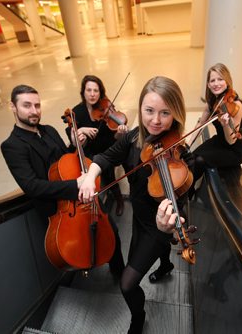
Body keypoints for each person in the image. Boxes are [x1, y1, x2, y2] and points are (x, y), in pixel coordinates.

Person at [78, 76, 193, 333]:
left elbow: (181, 204)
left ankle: (137, 318)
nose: (155, 120)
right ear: (140, 109)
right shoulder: (132, 138)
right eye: (149, 111)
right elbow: (106, 157)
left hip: (158, 227)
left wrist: (172, 227)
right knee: (146, 258)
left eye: (165, 113)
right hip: (139, 217)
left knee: (128, 284)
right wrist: (89, 176)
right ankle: (166, 265)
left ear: (176, 114)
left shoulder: (181, 153)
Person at [0, 84, 124, 277]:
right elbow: (32, 186)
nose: (34, 111)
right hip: (61, 208)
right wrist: (76, 184)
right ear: (13, 107)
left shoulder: (49, 130)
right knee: (75, 246)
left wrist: (76, 145)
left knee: (111, 231)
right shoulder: (12, 146)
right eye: (27, 105)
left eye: (37, 105)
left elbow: (66, 160)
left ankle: (119, 272)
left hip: (83, 196)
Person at [67, 75, 128, 216]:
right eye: (89, 90)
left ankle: (119, 199)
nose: (93, 94)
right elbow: (74, 141)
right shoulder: (76, 112)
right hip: (87, 150)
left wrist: (120, 133)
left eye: (96, 90)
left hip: (105, 148)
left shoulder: (106, 107)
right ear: (83, 92)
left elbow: (114, 138)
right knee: (84, 173)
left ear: (100, 92)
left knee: (108, 173)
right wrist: (81, 130)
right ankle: (91, 203)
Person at [189, 63, 242, 189]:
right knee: (191, 157)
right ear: (208, 84)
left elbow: (231, 141)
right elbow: (200, 125)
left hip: (234, 150)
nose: (216, 83)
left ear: (227, 81)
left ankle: (187, 192)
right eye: (212, 80)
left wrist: (226, 125)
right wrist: (187, 146)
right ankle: (187, 190)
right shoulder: (212, 102)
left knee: (200, 160)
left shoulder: (236, 106)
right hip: (219, 141)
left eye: (220, 79)